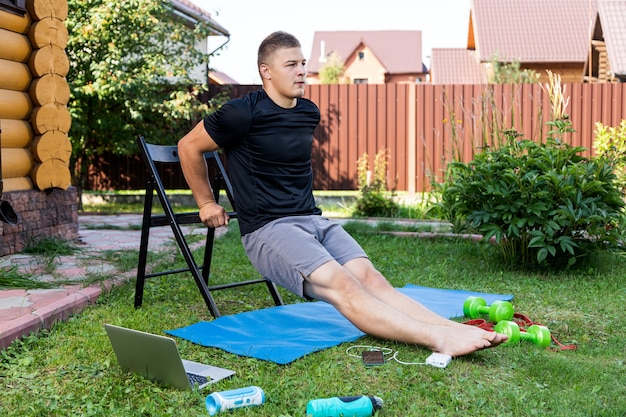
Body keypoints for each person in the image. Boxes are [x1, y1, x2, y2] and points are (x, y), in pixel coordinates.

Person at [177, 31, 507, 357]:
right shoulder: (241, 112)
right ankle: (437, 339)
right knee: (345, 285)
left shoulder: (307, 112)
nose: (301, 71)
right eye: (291, 64)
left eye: (303, 63)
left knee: (372, 280)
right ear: (266, 70)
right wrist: (206, 202)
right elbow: (188, 146)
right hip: (269, 230)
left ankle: (453, 329)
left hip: (312, 220)